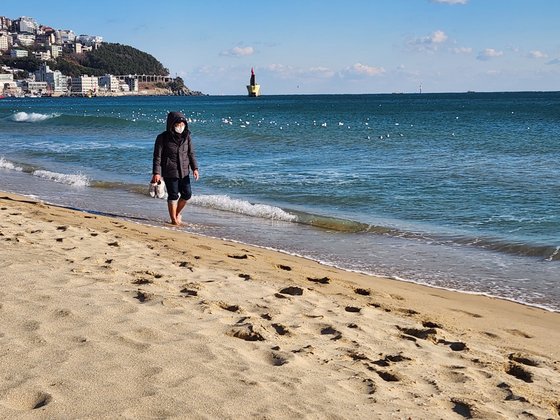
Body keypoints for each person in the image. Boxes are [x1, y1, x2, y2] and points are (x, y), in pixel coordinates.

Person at [151, 111, 199, 225]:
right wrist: (156, 173)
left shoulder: (187, 137)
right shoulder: (162, 138)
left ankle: (176, 213)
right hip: (170, 171)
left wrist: (195, 168)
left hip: (185, 171)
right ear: (171, 124)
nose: (180, 127)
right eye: (178, 124)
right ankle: (173, 220)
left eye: (182, 124)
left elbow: (191, 153)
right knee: (173, 195)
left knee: (187, 194)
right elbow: (157, 157)